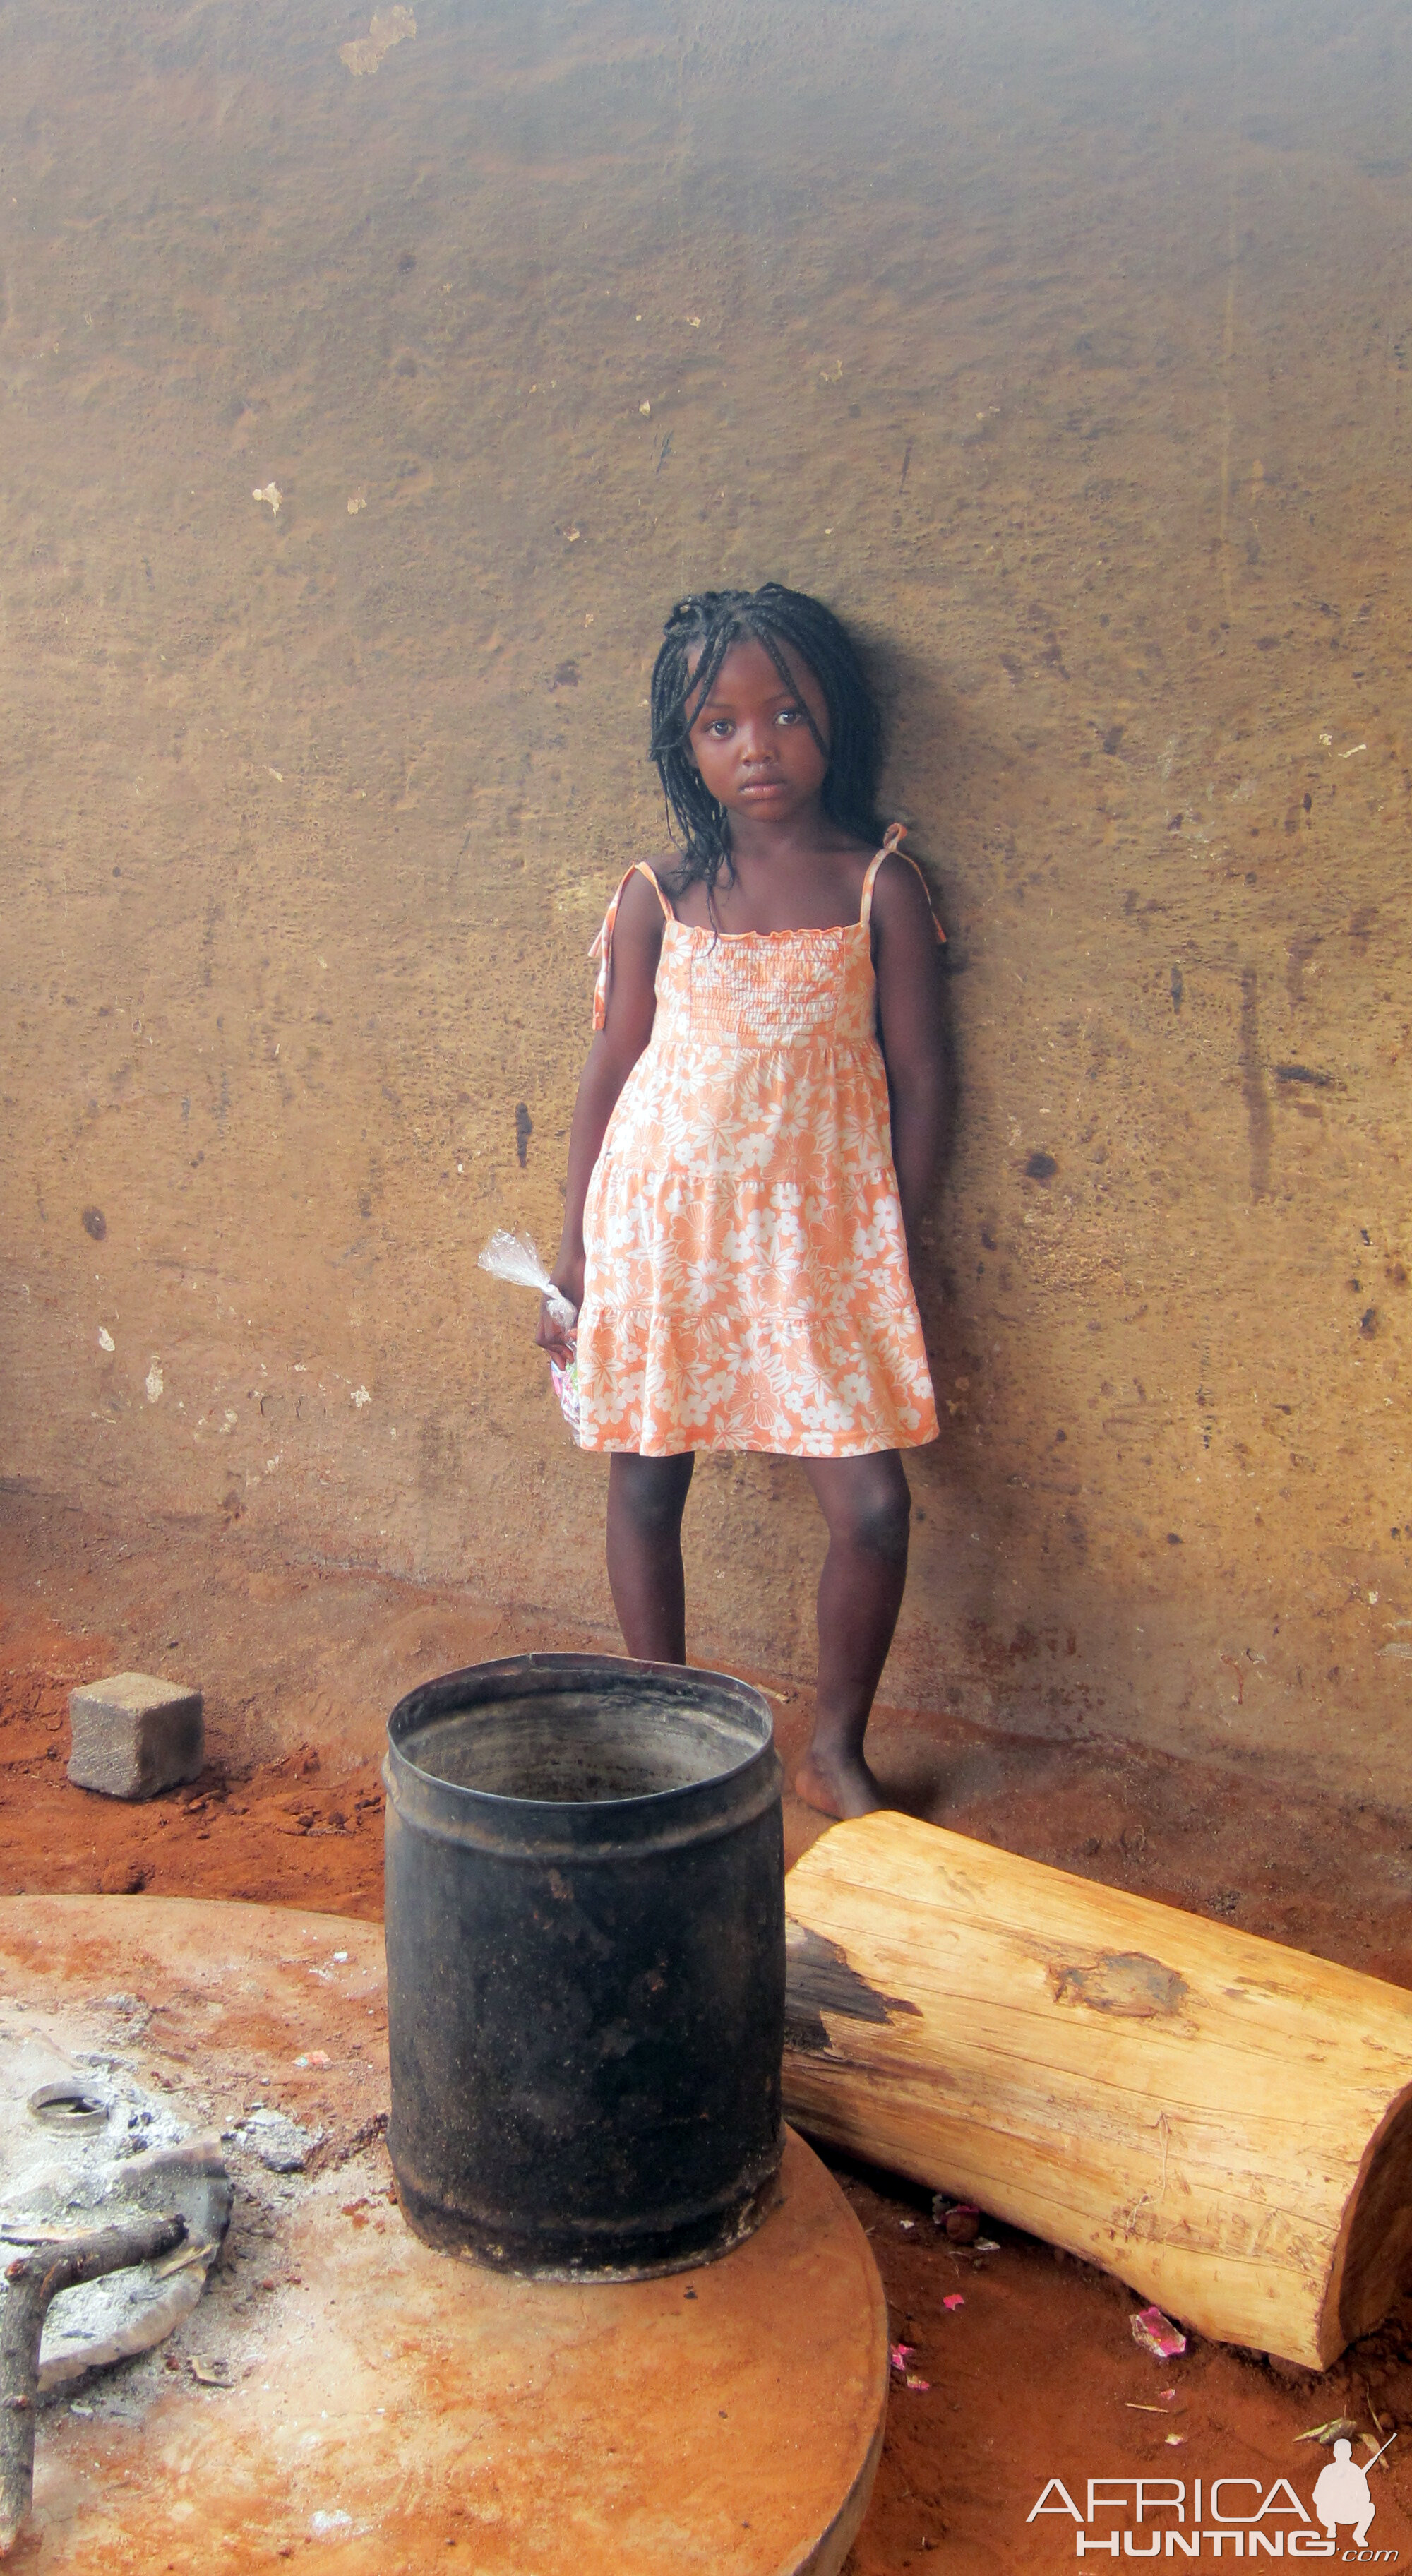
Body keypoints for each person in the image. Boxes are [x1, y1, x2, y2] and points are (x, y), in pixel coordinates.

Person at [537, 583, 947, 1819]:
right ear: (685, 746)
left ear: (838, 721)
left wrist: (898, 1251)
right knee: (650, 1482)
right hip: (660, 1232)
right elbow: (610, 1077)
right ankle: (662, 1728)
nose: (755, 747)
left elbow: (926, 1086)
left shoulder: (880, 885)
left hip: (817, 1248)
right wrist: (574, 1259)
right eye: (718, 726)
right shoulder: (656, 895)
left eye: (784, 715)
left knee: (873, 1508)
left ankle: (832, 1749)